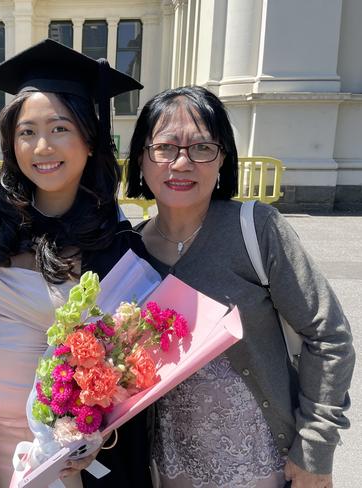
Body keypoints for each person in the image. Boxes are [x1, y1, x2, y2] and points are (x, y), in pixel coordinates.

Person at [0, 39, 153, 488]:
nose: (42, 146)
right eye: (27, 131)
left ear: (89, 138)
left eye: (60, 128)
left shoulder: (114, 239)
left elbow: (126, 362)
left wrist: (95, 432)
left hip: (60, 449)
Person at [124, 85, 355, 488]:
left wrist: (315, 448)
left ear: (222, 160)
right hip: (170, 468)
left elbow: (328, 336)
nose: (181, 163)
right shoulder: (130, 251)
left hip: (262, 466)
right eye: (165, 147)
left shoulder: (256, 229)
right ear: (142, 159)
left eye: (201, 148)